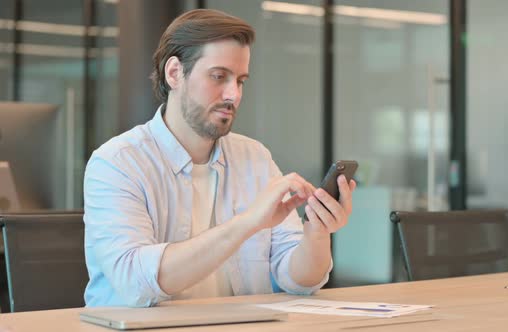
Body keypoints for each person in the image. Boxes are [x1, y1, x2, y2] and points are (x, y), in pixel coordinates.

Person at [83, 9, 356, 307]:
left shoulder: (255, 157)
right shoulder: (116, 163)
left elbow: (298, 280)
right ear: (174, 73)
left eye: (240, 81)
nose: (233, 95)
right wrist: (248, 223)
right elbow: (135, 281)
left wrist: (316, 234)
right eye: (218, 76)